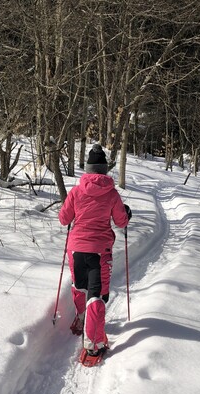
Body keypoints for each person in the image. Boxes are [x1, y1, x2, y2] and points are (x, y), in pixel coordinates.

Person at [58, 144, 132, 357]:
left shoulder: (76, 191)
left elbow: (64, 219)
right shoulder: (112, 194)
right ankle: (92, 343)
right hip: (99, 251)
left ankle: (81, 318)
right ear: (105, 170)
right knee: (96, 294)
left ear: (89, 169)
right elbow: (120, 221)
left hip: (75, 249)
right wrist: (126, 213)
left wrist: (71, 210)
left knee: (79, 286)